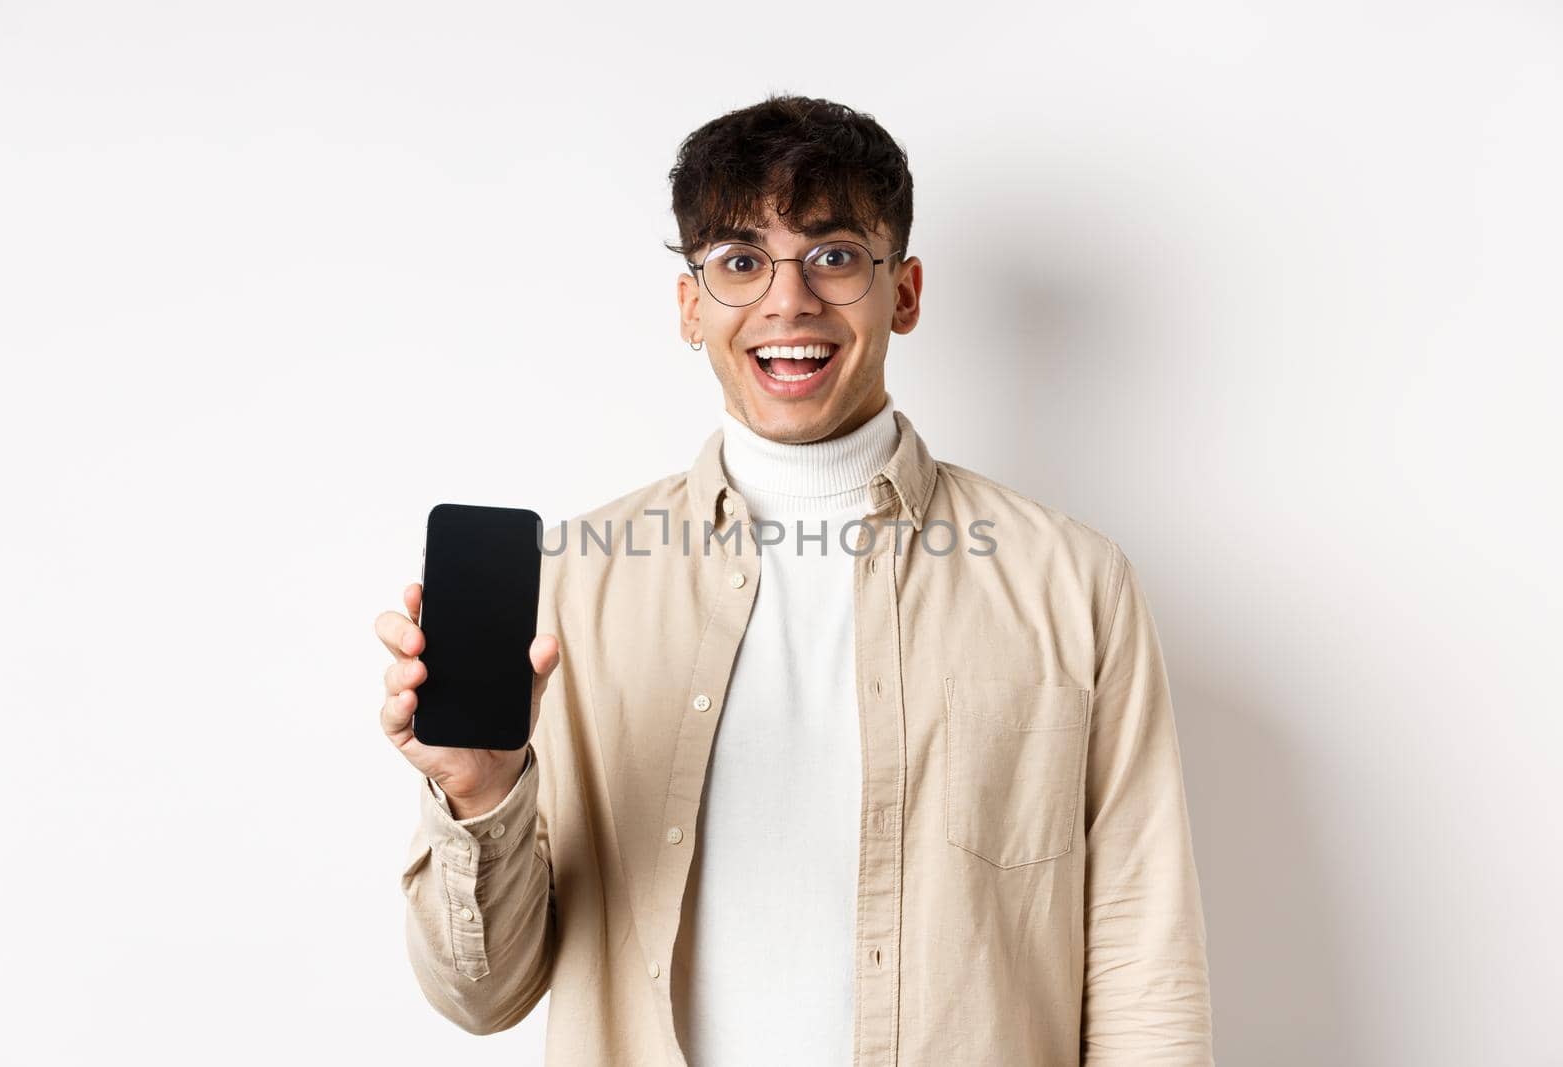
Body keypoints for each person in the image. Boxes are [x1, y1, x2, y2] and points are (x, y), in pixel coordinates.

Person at [376, 93, 1213, 1066]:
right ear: (692, 306)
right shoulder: (569, 586)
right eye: (740, 262)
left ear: (902, 290)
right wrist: (481, 791)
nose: (788, 301)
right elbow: (482, 994)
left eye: (833, 255)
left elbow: (1143, 964)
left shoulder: (1071, 582)